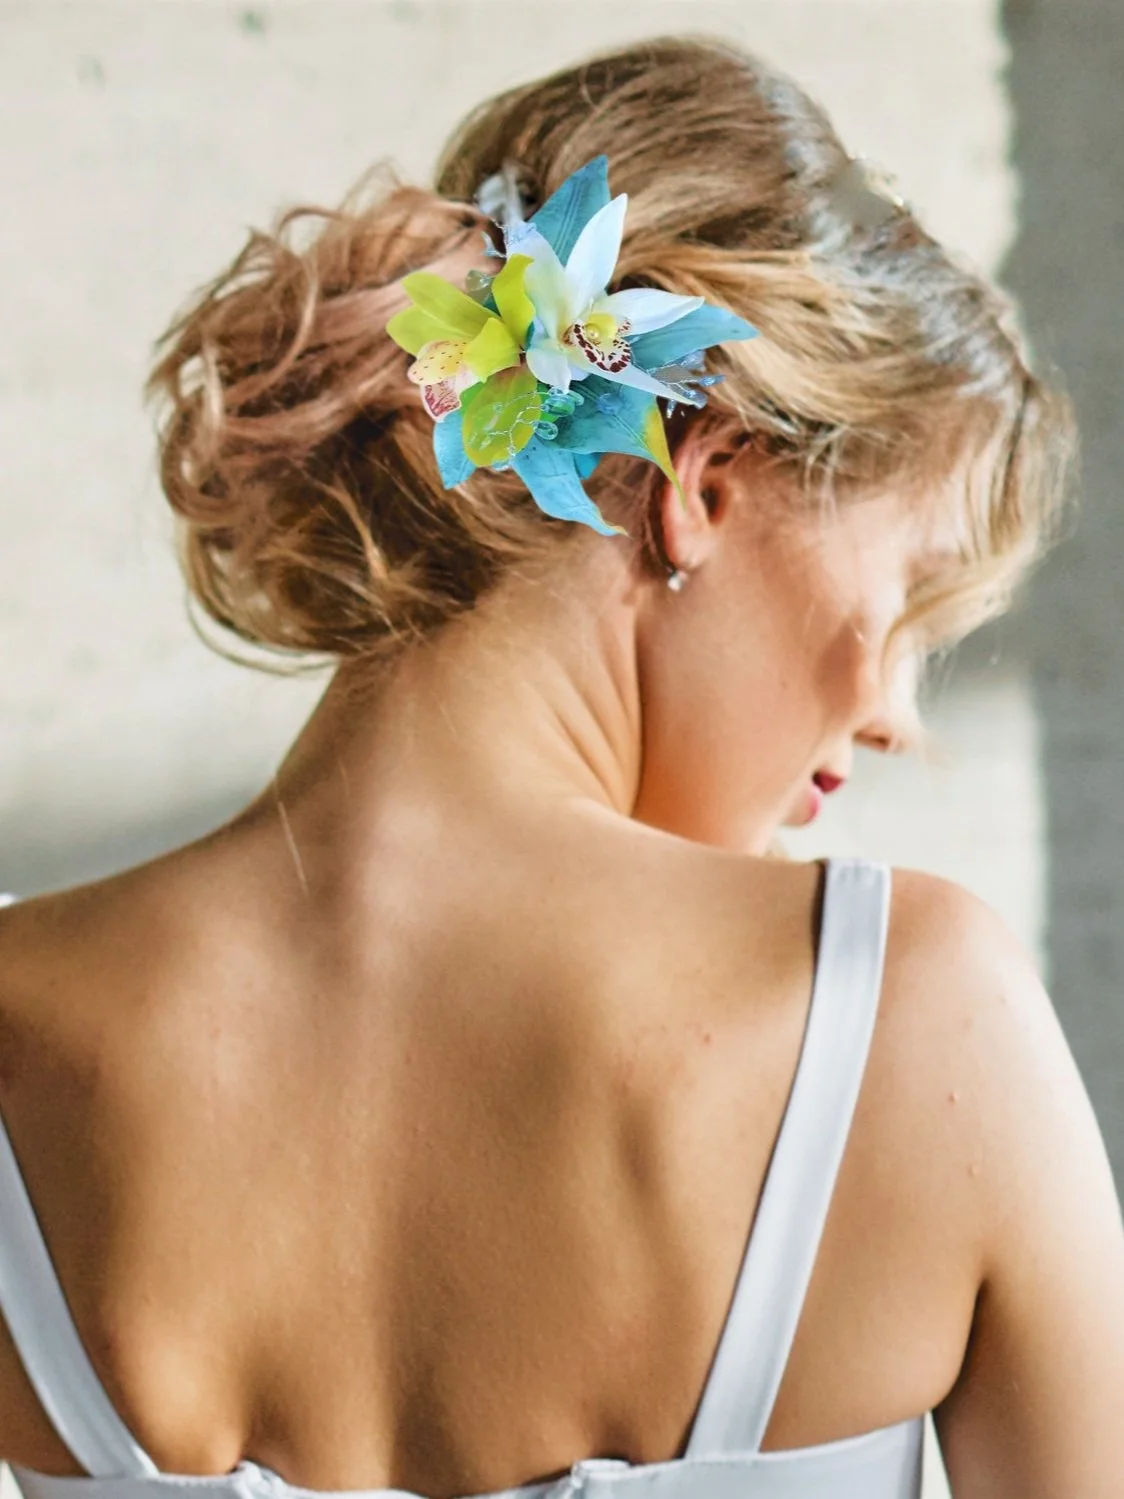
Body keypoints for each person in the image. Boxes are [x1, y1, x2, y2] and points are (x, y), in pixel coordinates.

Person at [0, 32, 1121, 1499]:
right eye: (909, 601)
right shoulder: (906, 1015)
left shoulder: (27, 1030)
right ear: (703, 484)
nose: (901, 714)